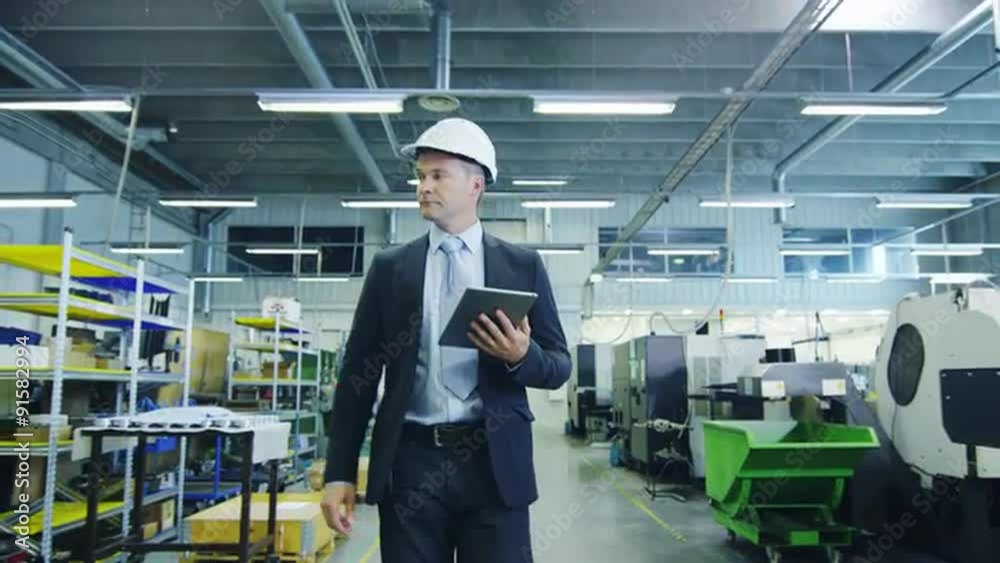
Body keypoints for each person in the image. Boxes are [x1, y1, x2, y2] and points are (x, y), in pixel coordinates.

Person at [320, 117, 571, 563]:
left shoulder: (521, 266)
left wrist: (521, 356)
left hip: (494, 464)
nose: (424, 187)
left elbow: (558, 365)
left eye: (438, 176)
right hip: (411, 463)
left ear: (476, 185)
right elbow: (358, 374)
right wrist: (339, 472)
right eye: (421, 176)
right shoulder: (391, 268)